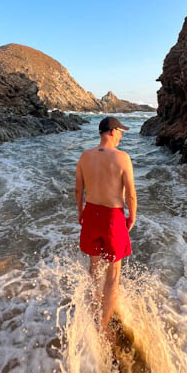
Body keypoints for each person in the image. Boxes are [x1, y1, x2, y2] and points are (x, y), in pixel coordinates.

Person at [75, 116, 137, 339]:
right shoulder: (122, 158)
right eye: (121, 131)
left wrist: (81, 212)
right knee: (113, 275)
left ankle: (93, 311)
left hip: (91, 213)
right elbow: (130, 193)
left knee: (94, 267)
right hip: (113, 217)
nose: (121, 136)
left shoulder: (84, 156)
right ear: (112, 132)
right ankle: (102, 327)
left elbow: (78, 190)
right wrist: (132, 217)